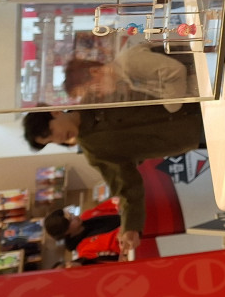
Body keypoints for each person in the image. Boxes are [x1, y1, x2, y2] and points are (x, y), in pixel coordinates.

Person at [23, 103, 204, 254]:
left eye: (52, 132)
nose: (58, 139)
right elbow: (126, 185)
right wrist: (131, 227)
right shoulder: (95, 151)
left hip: (190, 100)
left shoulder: (92, 100)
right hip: (190, 134)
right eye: (50, 141)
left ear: (54, 112)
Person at [64, 42, 193, 111]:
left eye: (93, 90)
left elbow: (174, 71)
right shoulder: (128, 78)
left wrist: (171, 105)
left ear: (95, 71)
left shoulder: (128, 63)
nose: (99, 95)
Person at [43, 199, 123, 264]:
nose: (75, 217)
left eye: (71, 214)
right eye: (71, 220)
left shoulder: (86, 215)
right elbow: (119, 244)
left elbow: (113, 203)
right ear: (65, 232)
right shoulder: (85, 250)